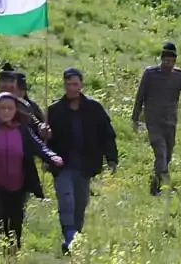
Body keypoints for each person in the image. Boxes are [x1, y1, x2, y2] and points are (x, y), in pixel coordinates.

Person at [0, 93, 63, 254]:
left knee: (14, 224)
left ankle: (12, 255)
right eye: (3, 108)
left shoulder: (22, 130)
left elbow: (38, 146)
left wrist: (52, 157)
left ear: (15, 110)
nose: (6, 111)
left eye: (10, 108)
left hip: (17, 186)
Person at [47, 68, 118, 252]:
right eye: (69, 84)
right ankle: (69, 235)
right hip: (62, 165)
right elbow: (45, 141)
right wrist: (45, 136)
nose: (72, 88)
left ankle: (74, 238)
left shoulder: (94, 108)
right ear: (64, 85)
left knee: (80, 203)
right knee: (66, 199)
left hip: (85, 166)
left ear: (81, 85)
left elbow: (107, 134)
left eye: (75, 84)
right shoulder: (54, 110)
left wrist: (111, 158)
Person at [132, 42, 181, 195]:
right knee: (160, 151)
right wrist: (135, 118)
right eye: (165, 60)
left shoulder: (179, 76)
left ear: (175, 61)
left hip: (170, 121)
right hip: (153, 120)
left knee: (167, 155)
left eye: (171, 60)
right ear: (161, 59)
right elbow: (140, 96)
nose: (168, 63)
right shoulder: (150, 74)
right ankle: (165, 183)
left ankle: (155, 184)